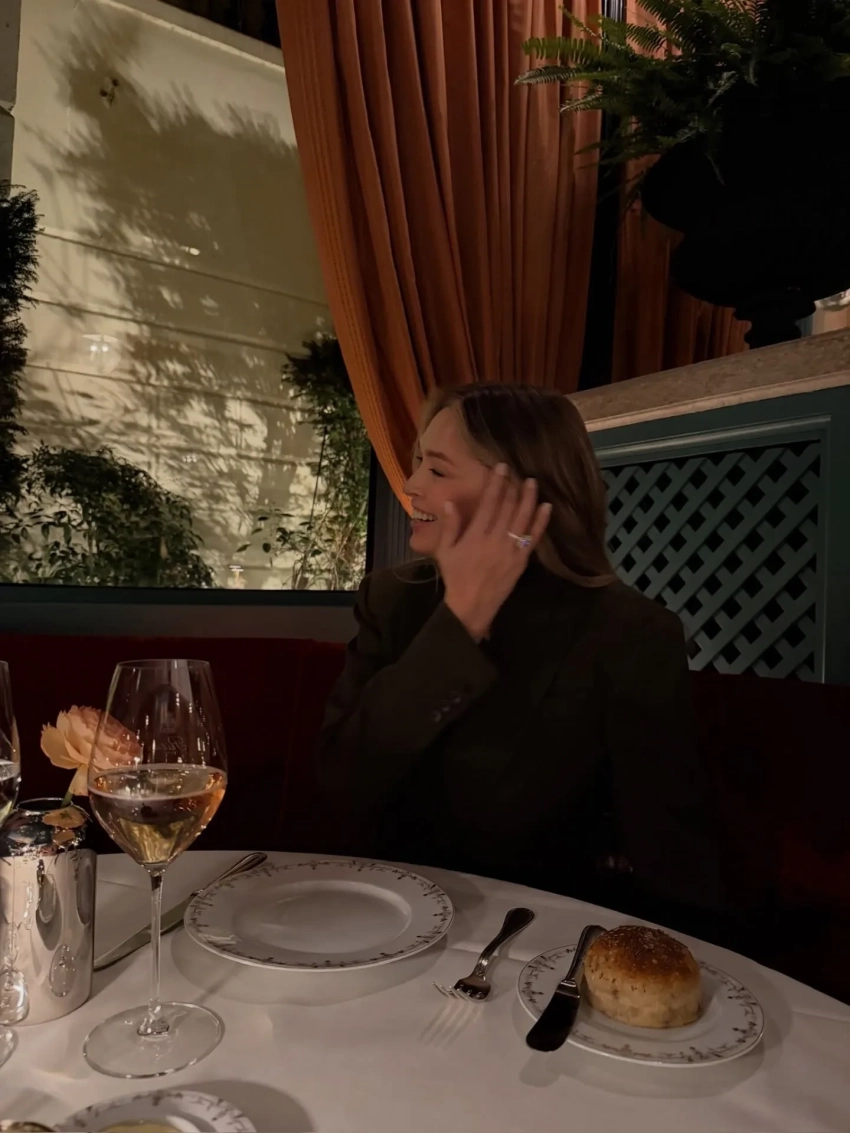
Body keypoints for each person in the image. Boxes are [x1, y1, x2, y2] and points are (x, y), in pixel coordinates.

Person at [317, 384, 725, 937]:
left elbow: (672, 856)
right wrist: (461, 620)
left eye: (437, 470)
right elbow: (340, 786)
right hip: (378, 917)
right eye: (417, 463)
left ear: (520, 496)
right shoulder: (392, 600)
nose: (411, 485)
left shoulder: (632, 634)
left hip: (537, 939)